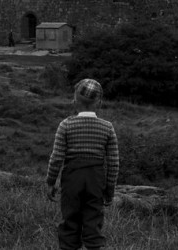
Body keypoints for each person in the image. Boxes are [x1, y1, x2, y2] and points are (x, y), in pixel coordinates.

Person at [46, 79, 120, 250]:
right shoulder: (107, 128)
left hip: (72, 179)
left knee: (70, 221)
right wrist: (110, 190)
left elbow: (56, 157)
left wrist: (51, 181)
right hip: (96, 180)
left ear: (74, 101)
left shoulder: (65, 125)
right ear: (99, 103)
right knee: (93, 223)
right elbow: (114, 163)